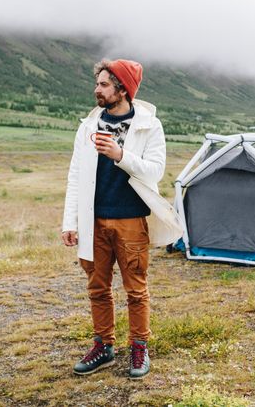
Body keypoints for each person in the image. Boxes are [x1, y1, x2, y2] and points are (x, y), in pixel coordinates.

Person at [61, 59, 182, 378]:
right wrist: (69, 222)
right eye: (97, 83)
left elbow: (155, 170)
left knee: (136, 289)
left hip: (131, 220)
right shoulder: (88, 125)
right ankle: (104, 346)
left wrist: (120, 155)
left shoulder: (149, 125)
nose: (96, 90)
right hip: (93, 222)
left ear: (122, 88)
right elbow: (75, 174)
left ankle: (139, 348)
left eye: (103, 84)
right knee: (97, 287)